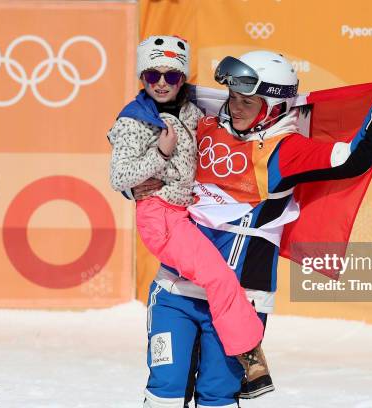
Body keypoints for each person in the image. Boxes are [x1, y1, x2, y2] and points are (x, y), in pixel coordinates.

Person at [132, 49, 372, 408]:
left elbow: (353, 159)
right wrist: (131, 182)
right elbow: (143, 119)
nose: (236, 106)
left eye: (248, 101)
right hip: (176, 290)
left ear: (274, 107)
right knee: (164, 391)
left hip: (240, 302)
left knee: (217, 397)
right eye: (233, 97)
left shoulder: (286, 151)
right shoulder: (204, 123)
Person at [106, 36, 271, 396]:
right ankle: (250, 358)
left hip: (184, 213)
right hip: (160, 217)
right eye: (152, 75)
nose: (161, 83)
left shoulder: (192, 111)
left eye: (171, 76)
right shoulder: (135, 120)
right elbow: (119, 176)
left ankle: (238, 353)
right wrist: (160, 155)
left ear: (183, 79)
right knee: (218, 277)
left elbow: (231, 102)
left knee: (218, 277)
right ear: (142, 78)